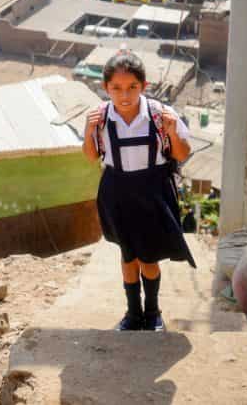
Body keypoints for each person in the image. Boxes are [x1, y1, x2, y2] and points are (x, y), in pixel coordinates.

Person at [82, 51, 196, 332]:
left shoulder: (160, 115)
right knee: (127, 255)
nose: (124, 95)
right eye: (116, 88)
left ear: (144, 86)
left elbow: (182, 152)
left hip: (152, 190)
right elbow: (91, 156)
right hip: (116, 191)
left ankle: (153, 313)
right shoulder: (101, 117)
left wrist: (171, 132)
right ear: (105, 88)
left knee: (149, 257)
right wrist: (88, 130)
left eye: (132, 87)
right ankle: (133, 314)